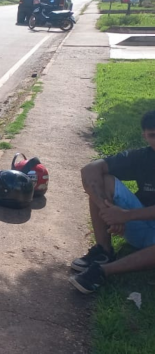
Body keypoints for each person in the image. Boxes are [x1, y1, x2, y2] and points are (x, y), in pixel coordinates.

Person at [69, 110, 155, 294]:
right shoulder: (143, 156)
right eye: (153, 136)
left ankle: (102, 272)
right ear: (145, 136)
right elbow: (90, 169)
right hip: (138, 223)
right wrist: (109, 212)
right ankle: (104, 251)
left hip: (134, 219)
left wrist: (125, 215)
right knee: (102, 182)